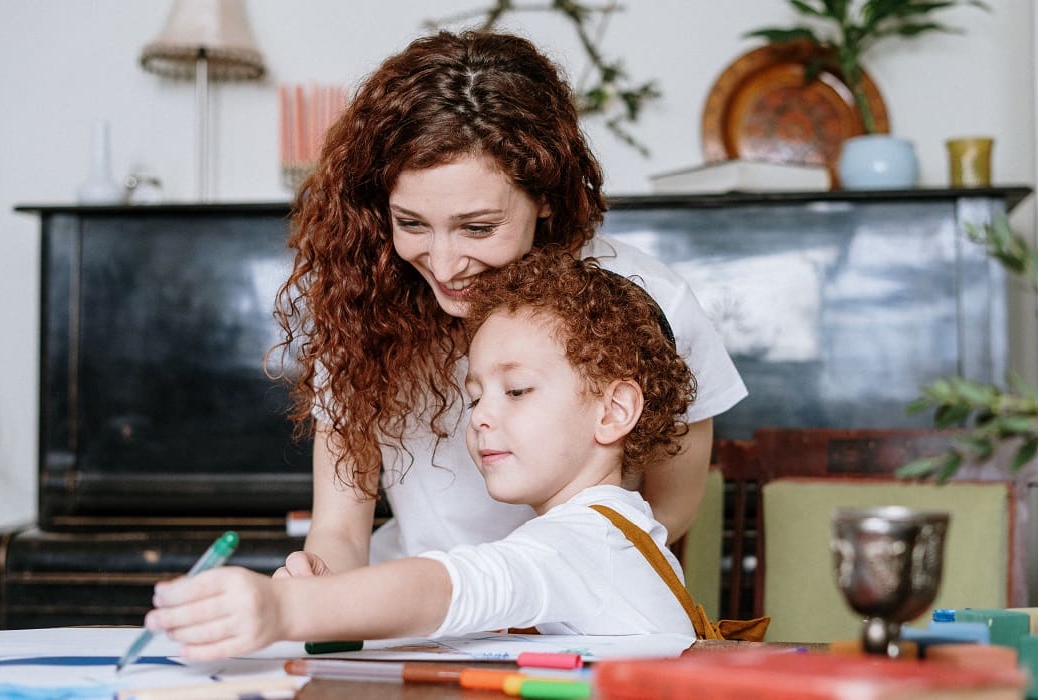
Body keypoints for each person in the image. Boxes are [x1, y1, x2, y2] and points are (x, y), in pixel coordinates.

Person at [272, 30, 746, 581]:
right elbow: (339, 530)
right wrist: (317, 579)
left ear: (545, 195)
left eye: (478, 227)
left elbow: (669, 511)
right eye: (412, 224)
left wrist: (533, 591)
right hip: (412, 612)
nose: (445, 266)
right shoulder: (362, 306)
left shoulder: (651, 302)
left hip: (572, 602)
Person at [146, 252, 702, 659]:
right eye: (474, 395)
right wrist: (332, 598)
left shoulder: (586, 541)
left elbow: (452, 586)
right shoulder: (603, 531)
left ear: (614, 411)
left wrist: (286, 609)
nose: (480, 416)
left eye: (517, 391)